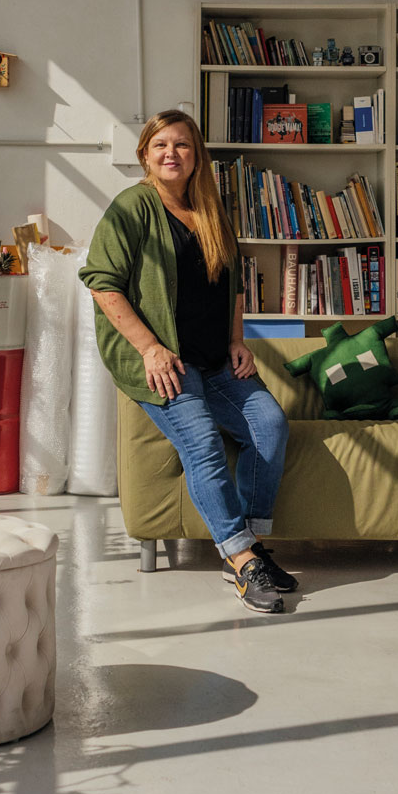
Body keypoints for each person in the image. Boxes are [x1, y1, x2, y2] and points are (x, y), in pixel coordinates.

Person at [79, 109, 296, 614]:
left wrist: (238, 340)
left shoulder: (211, 210)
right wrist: (150, 349)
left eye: (181, 145)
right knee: (202, 443)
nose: (171, 153)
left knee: (269, 424)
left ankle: (250, 542)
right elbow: (101, 283)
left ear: (197, 156)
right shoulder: (131, 207)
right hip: (163, 362)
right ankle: (242, 562)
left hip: (217, 360)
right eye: (160, 146)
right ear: (145, 155)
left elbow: (234, 284)